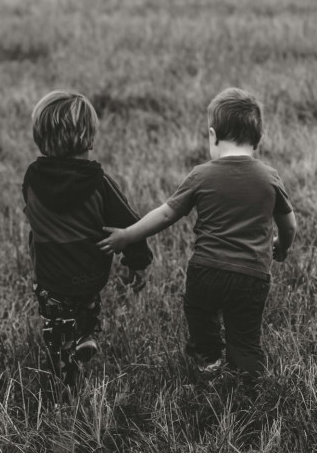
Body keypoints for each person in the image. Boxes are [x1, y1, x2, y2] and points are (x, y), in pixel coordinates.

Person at [98, 88, 296, 386]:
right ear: (259, 139)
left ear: (213, 135)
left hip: (207, 272)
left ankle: (208, 359)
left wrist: (127, 235)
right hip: (252, 276)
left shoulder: (201, 175)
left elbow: (166, 214)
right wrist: (282, 245)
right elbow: (289, 224)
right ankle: (248, 376)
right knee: (245, 335)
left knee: (200, 314)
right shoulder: (270, 177)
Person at [23, 90, 152, 388]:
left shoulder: (32, 178)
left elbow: (31, 212)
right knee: (86, 303)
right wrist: (137, 262)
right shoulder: (99, 183)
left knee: (58, 329)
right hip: (90, 273)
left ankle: (64, 377)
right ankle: (85, 334)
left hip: (50, 276)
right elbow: (130, 224)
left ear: (40, 138)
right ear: (89, 138)